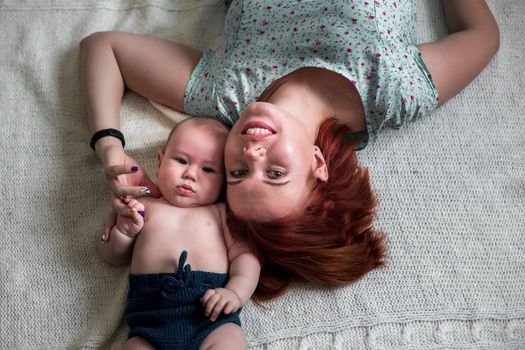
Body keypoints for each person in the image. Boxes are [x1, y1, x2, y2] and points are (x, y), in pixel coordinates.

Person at [81, 0, 499, 300]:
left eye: (237, 174)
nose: (251, 152)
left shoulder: (227, 95)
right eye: (276, 173)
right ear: (318, 164)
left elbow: (103, 48)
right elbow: (482, 36)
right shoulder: (394, 90)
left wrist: (110, 151)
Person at [99, 116, 261, 349]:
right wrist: (124, 233)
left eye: (208, 169)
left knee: (232, 340)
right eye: (181, 160)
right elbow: (111, 256)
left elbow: (246, 257)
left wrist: (235, 293)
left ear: (224, 180)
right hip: (150, 324)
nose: (191, 174)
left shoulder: (221, 213)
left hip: (211, 317)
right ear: (160, 160)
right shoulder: (144, 206)